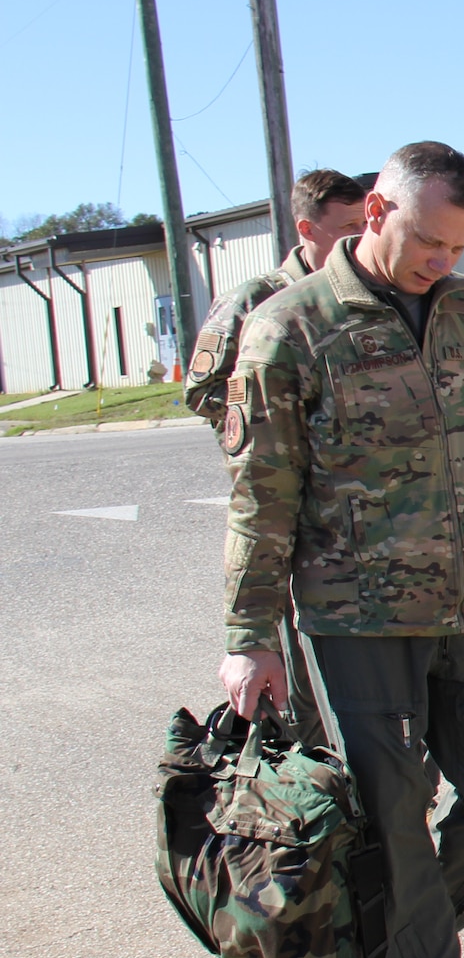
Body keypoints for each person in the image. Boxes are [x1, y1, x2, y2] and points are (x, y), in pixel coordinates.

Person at [215, 141, 464, 958]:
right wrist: (251, 636)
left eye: (457, 246)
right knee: (397, 822)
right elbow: (260, 499)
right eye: (427, 240)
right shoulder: (291, 330)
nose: (440, 261)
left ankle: (402, 946)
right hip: (356, 620)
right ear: (374, 211)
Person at [186, 170, 367, 745]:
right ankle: (317, 780)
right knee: (299, 669)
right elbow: (203, 387)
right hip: (288, 501)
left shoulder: (365, 295)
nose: (360, 239)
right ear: (307, 229)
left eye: (366, 226)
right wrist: (276, 429)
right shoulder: (256, 300)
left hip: (359, 510)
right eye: (346, 229)